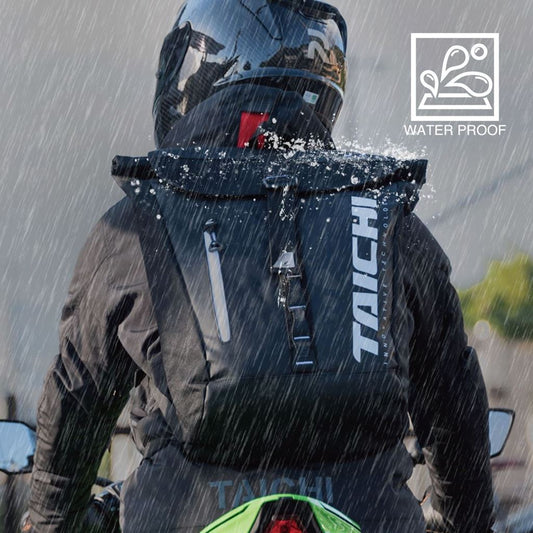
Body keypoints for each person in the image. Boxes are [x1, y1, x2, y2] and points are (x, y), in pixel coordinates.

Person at [27, 1, 494, 531]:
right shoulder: (386, 217)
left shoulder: (139, 221)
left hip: (183, 514)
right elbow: (454, 406)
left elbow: (75, 399)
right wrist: (462, 523)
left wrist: (50, 522)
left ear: (199, 74)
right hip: (366, 516)